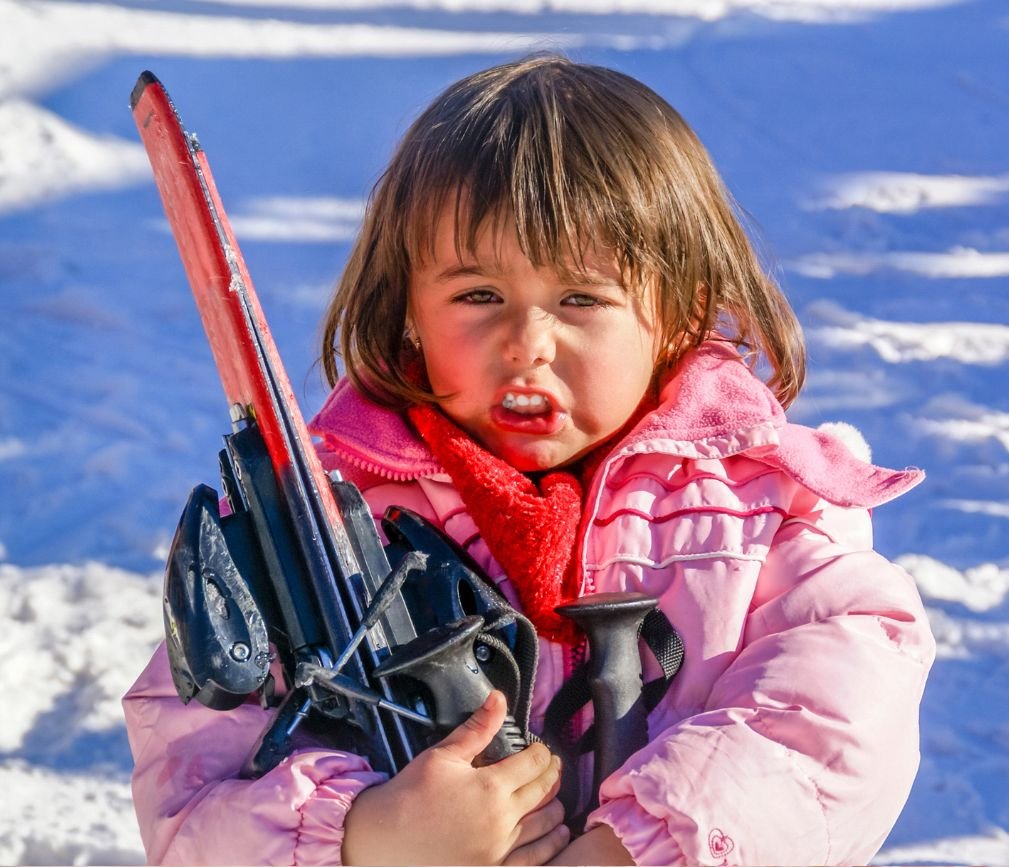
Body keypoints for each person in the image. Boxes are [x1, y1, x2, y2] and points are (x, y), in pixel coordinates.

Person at [124, 53, 935, 866]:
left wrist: (638, 846)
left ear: (682, 310)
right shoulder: (320, 532)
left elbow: (839, 709)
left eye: (581, 299)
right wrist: (368, 835)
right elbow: (192, 782)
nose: (526, 343)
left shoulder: (763, 506)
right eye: (477, 295)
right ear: (407, 305)